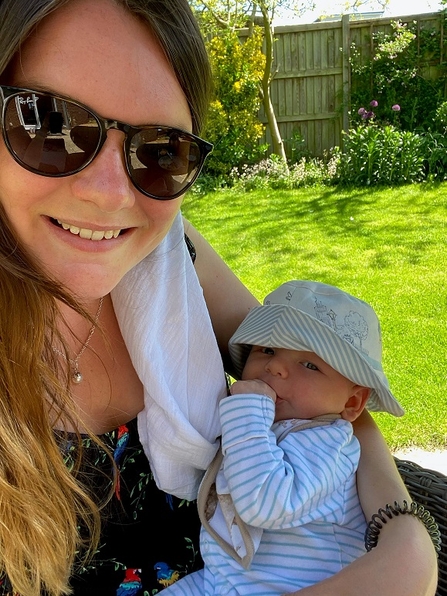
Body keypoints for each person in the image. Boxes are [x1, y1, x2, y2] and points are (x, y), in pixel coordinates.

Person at [0, 1, 438, 595]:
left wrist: (403, 536)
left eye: (159, 150)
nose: (109, 195)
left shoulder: (169, 255)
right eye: (49, 123)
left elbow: (318, 380)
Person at [161, 280, 405, 595]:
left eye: (309, 364)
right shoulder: (263, 426)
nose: (275, 366)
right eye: (267, 349)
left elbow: (264, 505)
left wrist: (247, 411)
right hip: (224, 580)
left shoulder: (330, 445)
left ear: (352, 402)